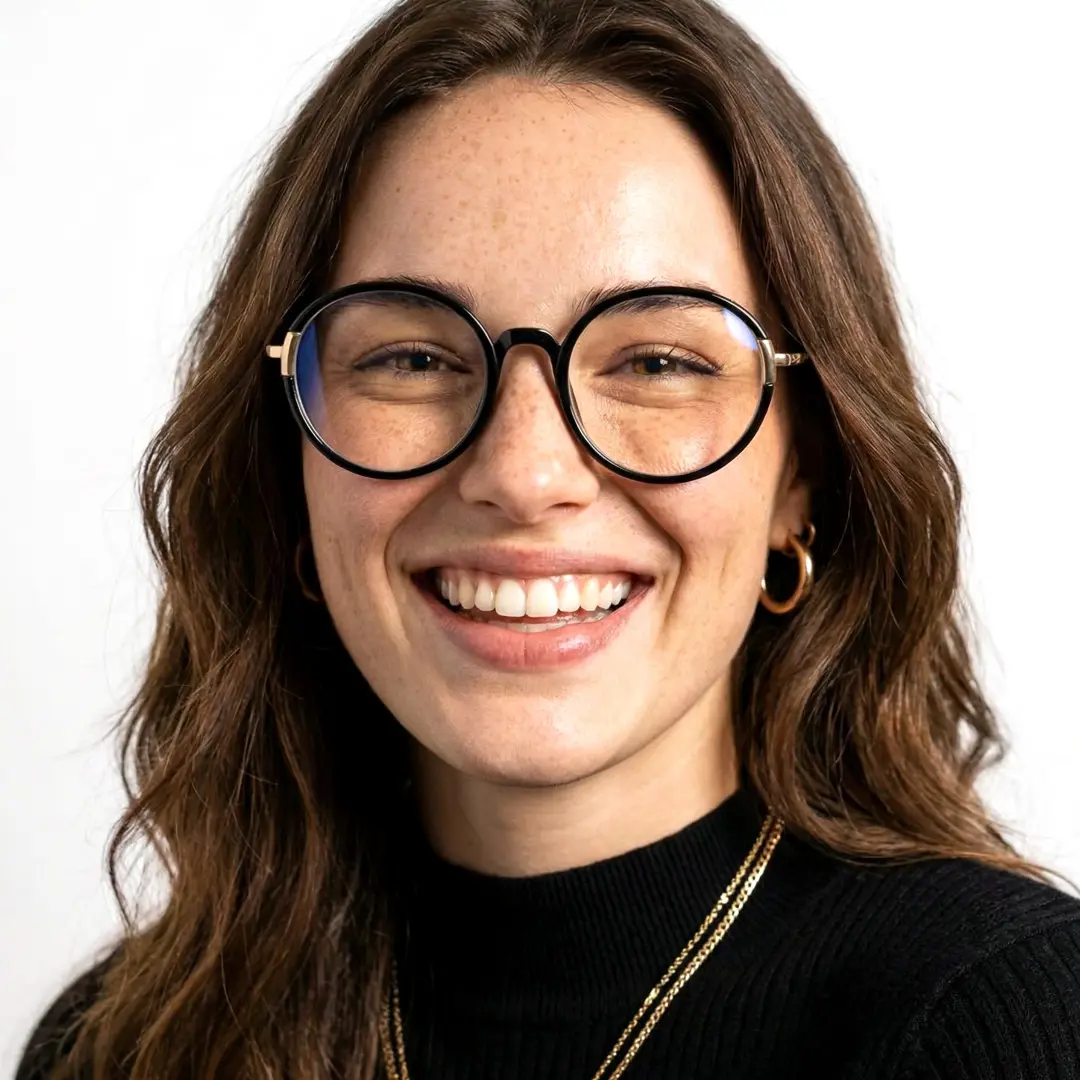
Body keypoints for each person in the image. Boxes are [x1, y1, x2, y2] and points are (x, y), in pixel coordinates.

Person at [16, 0, 1080, 1077]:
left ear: (801, 475)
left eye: (657, 362)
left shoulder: (998, 1020)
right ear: (290, 464)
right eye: (413, 360)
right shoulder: (118, 1045)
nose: (524, 476)